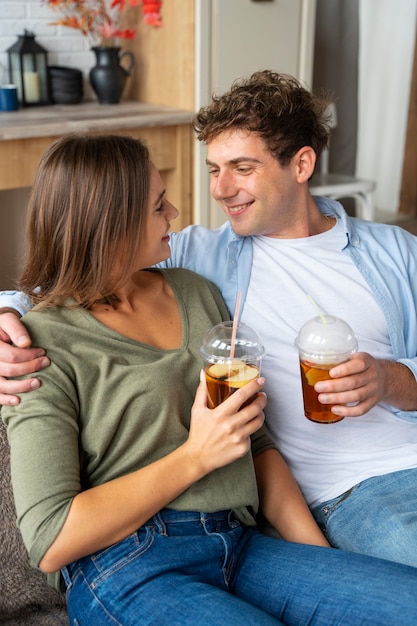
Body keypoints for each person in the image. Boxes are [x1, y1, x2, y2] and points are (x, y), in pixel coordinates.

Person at [1, 71, 417, 569]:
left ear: (301, 163)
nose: (221, 189)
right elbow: (74, 271)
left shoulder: (395, 252)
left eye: (241, 167)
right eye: (214, 169)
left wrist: (391, 379)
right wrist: (8, 313)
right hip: (349, 490)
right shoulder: (200, 257)